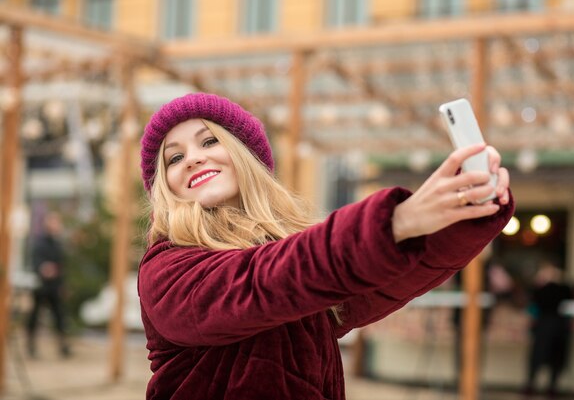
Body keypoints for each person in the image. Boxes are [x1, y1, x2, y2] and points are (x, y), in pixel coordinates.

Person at [137, 92, 514, 400]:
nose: (194, 158)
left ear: (244, 155)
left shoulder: (298, 269)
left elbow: (383, 283)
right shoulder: (166, 266)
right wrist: (397, 220)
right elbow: (261, 282)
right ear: (164, 185)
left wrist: (464, 214)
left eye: (209, 140)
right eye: (174, 157)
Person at [523, 262, 574, 398]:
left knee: (538, 357)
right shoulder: (565, 288)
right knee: (555, 358)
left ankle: (531, 385)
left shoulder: (541, 289)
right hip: (558, 326)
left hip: (544, 325)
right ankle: (552, 388)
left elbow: (532, 307)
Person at [26, 211, 71, 358]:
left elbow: (61, 266)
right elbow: (35, 263)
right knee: (35, 316)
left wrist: (62, 284)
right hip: (41, 286)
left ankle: (63, 346)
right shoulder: (39, 243)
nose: (56, 225)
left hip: (54, 287)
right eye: (53, 222)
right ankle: (31, 346)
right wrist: (43, 268)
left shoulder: (58, 244)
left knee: (59, 316)